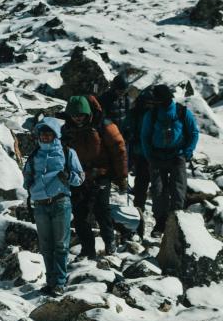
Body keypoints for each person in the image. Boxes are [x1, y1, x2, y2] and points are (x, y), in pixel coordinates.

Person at [23, 117, 85, 296]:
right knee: (45, 246)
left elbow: (80, 178)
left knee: (60, 245)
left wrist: (68, 177)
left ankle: (59, 282)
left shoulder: (67, 153)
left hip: (60, 202)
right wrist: (31, 185)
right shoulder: (35, 155)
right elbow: (26, 175)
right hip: (40, 205)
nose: (45, 137)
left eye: (49, 133)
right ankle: (51, 283)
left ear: (56, 134)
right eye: (42, 134)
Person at [62, 95, 128, 257]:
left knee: (101, 210)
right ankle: (88, 249)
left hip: (101, 174)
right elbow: (61, 153)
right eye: (74, 115)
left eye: (81, 115)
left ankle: (110, 243)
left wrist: (121, 177)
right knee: (80, 215)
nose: (78, 119)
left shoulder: (104, 126)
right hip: (79, 176)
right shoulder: (66, 130)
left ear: (88, 113)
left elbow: (119, 151)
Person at [140, 84, 199, 236]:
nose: (156, 104)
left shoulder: (182, 112)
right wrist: (149, 156)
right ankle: (160, 223)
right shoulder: (151, 115)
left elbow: (193, 132)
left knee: (178, 190)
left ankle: (176, 221)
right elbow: (144, 136)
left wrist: (187, 152)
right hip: (157, 157)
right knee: (158, 191)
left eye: (158, 101)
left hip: (177, 156)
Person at [123, 86, 156, 232]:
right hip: (146, 154)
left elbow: (125, 128)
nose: (149, 104)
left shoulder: (135, 112)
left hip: (144, 153)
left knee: (143, 183)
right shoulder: (153, 113)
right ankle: (140, 211)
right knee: (145, 183)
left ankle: (140, 210)